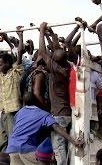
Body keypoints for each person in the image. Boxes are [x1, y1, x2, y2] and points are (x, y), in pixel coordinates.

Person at [5, 92, 83, 165]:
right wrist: (74, 141)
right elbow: (56, 127)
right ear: (36, 101)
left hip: (12, 148)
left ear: (24, 103)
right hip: (26, 149)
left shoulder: (19, 112)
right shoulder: (43, 114)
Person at [39, 22, 72, 165]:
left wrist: (41, 32)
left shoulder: (56, 70)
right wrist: (51, 35)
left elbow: (42, 52)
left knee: (58, 147)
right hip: (65, 113)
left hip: (59, 115)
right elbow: (57, 50)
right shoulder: (66, 66)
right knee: (65, 145)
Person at [0, 27, 25, 152]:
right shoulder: (2, 74)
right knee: (2, 140)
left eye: (1, 64)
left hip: (13, 111)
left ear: (8, 63)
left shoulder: (15, 73)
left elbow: (19, 53)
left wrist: (20, 37)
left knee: (12, 138)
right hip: (4, 111)